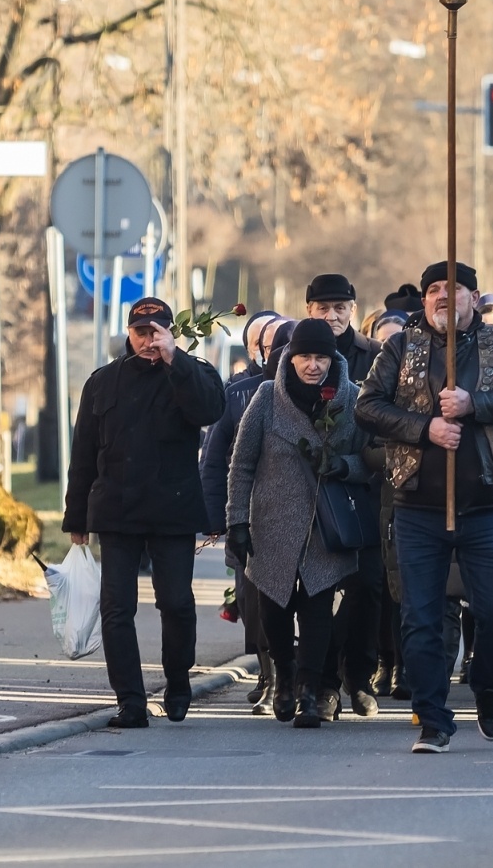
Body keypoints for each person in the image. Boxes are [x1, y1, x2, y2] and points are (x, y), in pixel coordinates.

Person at [356, 262, 493, 753]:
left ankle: (489, 687)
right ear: (423, 300)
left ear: (474, 297)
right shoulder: (400, 347)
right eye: (434, 290)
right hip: (417, 506)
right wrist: (425, 429)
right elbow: (367, 407)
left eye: (454, 288)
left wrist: (474, 404)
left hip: (488, 503)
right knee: (419, 618)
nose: (444, 296)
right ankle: (435, 720)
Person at [64, 297, 226, 729]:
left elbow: (211, 409)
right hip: (116, 510)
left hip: (173, 509)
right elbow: (83, 454)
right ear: (128, 335)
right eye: (142, 333)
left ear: (171, 333)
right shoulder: (102, 382)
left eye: (158, 332)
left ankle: (177, 683)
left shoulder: (193, 373)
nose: (150, 341)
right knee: (117, 608)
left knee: (175, 603)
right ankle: (130, 701)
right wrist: (75, 518)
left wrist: (176, 360)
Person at [224, 319, 372, 728]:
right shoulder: (268, 397)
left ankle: (309, 690)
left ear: (332, 357)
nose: (312, 365)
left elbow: (371, 461)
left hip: (326, 523)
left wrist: (344, 465)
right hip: (272, 520)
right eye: (305, 356)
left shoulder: (351, 399)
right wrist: (237, 520)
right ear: (291, 357)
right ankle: (284, 675)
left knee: (317, 607)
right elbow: (242, 463)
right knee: (273, 607)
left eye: (320, 357)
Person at [302, 274, 382, 718]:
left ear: (353, 308)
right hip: (310, 495)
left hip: (363, 490)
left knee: (367, 587)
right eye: (322, 308)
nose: (331, 316)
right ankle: (323, 682)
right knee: (321, 588)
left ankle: (360, 675)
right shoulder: (295, 355)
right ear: (309, 309)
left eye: (340, 307)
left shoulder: (374, 357)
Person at [201, 313, 290, 707]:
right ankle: (269, 674)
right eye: (273, 347)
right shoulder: (240, 394)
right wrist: (218, 519)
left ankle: (304, 678)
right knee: (254, 601)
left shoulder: (331, 391)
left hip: (304, 519)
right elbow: (218, 461)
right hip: (252, 516)